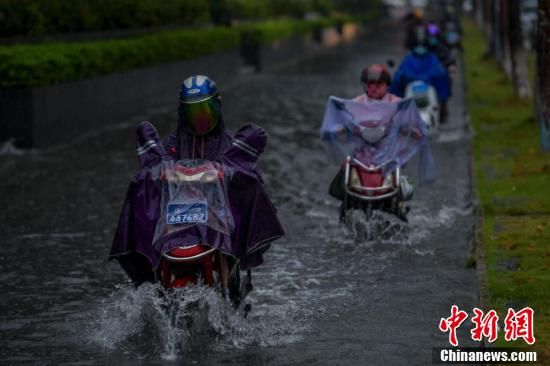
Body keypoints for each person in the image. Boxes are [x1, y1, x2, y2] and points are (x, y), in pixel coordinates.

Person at [110, 75, 284, 286]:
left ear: (217, 107)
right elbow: (149, 172)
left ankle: (231, 276)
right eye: (193, 112)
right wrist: (155, 174)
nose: (200, 118)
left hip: (221, 221)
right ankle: (152, 281)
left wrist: (231, 175)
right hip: (174, 222)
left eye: (205, 110)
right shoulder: (170, 146)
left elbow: (250, 179)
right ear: (182, 113)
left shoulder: (231, 144)